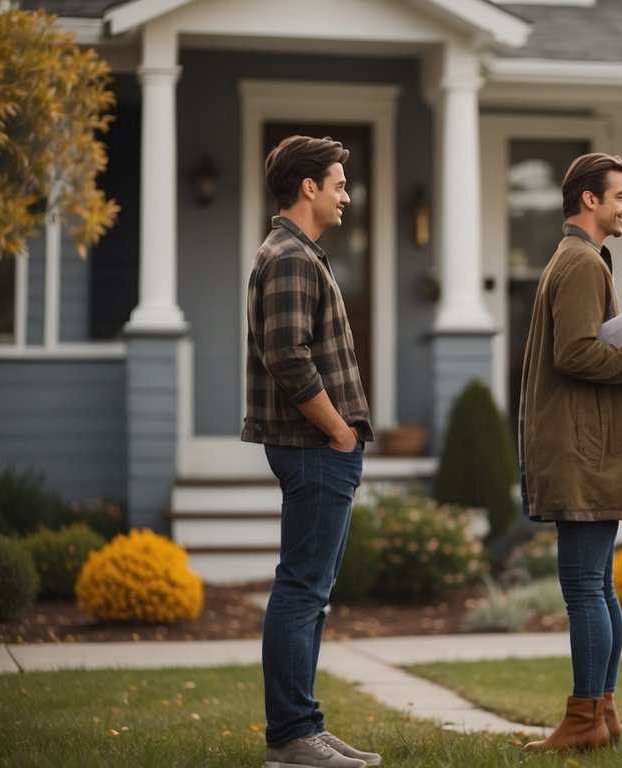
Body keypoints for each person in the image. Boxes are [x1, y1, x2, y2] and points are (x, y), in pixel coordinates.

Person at [517, 152, 622, 752]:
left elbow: (579, 352)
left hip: (583, 445)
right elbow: (577, 353)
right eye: (621, 196)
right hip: (580, 446)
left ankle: (593, 717)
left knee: (591, 587)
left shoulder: (582, 259)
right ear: (590, 199)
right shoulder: (581, 262)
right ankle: (596, 714)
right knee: (593, 587)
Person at [243, 135, 381, 768]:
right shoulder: (291, 258)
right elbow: (287, 356)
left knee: (309, 590)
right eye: (339, 184)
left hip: (316, 446)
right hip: (314, 446)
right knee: (302, 589)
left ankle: (304, 726)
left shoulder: (297, 253)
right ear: (309, 188)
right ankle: (293, 736)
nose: (346, 195)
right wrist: (340, 430)